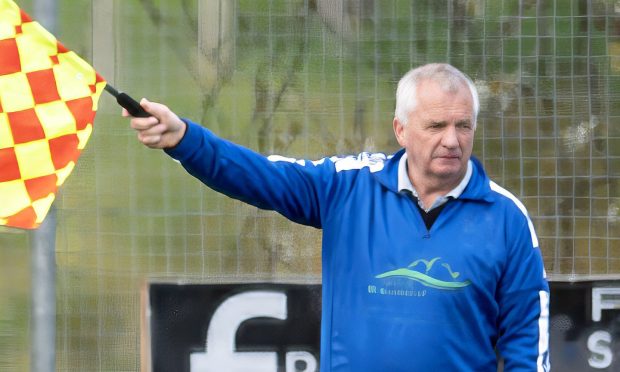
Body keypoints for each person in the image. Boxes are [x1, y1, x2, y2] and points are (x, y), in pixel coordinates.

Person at [125, 63, 550, 371]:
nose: (452, 141)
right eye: (436, 125)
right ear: (400, 130)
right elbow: (261, 176)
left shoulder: (506, 219)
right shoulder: (348, 187)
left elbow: (526, 342)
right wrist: (185, 139)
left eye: (463, 126)